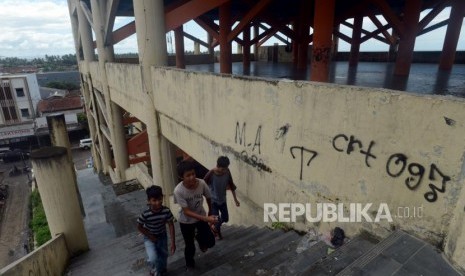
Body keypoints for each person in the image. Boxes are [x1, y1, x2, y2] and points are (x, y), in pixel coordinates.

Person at [174, 160, 217, 270]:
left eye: (193, 174)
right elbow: (186, 211)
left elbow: (209, 197)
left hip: (201, 217)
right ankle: (190, 264)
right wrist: (206, 218)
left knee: (211, 242)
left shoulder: (202, 183)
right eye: (188, 175)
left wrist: (211, 212)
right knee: (189, 245)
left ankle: (200, 239)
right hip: (186, 222)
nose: (192, 177)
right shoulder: (178, 191)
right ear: (181, 177)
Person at [137, 185, 176, 276]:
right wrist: (150, 236)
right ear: (149, 201)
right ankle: (154, 270)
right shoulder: (145, 214)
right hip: (149, 237)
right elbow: (139, 226)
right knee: (153, 258)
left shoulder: (166, 211)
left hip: (162, 236)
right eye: (154, 200)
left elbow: (171, 225)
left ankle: (161, 269)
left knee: (164, 255)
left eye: (159, 199)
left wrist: (173, 242)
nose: (158, 202)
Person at [204, 156, 240, 240]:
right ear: (218, 166)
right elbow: (202, 184)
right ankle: (218, 233)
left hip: (223, 200)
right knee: (216, 219)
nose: (225, 171)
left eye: (226, 168)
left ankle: (213, 227)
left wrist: (235, 200)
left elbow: (231, 185)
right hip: (213, 201)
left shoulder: (227, 172)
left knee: (226, 218)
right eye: (223, 169)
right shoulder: (211, 174)